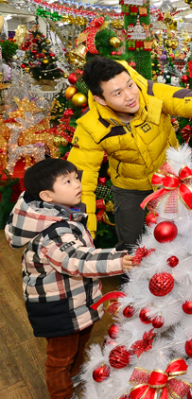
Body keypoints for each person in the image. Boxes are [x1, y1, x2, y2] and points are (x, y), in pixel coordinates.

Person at [67, 57, 192, 252]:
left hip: (170, 179)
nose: (130, 96)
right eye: (118, 93)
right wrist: (81, 232)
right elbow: (80, 180)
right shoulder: (91, 126)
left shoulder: (147, 92)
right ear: (100, 99)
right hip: (130, 188)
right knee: (131, 244)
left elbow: (180, 98)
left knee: (186, 236)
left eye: (130, 85)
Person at [4, 158, 136, 399]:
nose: (77, 184)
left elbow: (83, 254)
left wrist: (117, 256)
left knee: (79, 344)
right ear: (47, 196)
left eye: (76, 177)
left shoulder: (59, 215)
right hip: (59, 307)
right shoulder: (52, 231)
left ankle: (74, 377)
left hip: (75, 299)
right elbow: (77, 260)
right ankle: (62, 394)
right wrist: (119, 261)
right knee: (60, 358)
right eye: (67, 181)